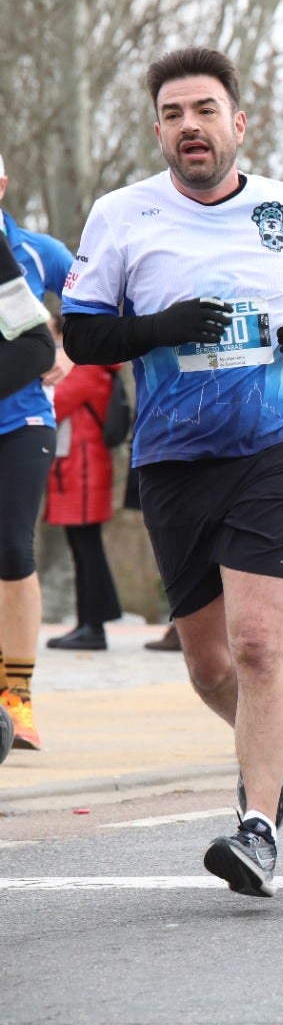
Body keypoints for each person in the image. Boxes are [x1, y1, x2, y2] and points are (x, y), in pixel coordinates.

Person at [61, 46, 283, 896]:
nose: (189, 127)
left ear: (238, 123)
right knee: (208, 666)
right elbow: (84, 336)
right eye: (172, 114)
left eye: (204, 110)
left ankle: (258, 824)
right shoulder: (121, 216)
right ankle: (267, 763)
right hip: (171, 458)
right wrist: (162, 326)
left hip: (272, 449)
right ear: (159, 131)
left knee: (257, 642)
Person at [0, 147, 68, 751]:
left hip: (23, 418)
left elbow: (100, 300)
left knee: (12, 543)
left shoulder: (36, 251)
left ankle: (17, 697)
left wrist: (67, 351)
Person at [43, 353, 124, 651]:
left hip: (83, 470)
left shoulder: (86, 368)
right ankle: (88, 624)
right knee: (83, 548)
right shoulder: (93, 367)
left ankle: (93, 627)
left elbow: (52, 406)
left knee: (87, 549)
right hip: (80, 469)